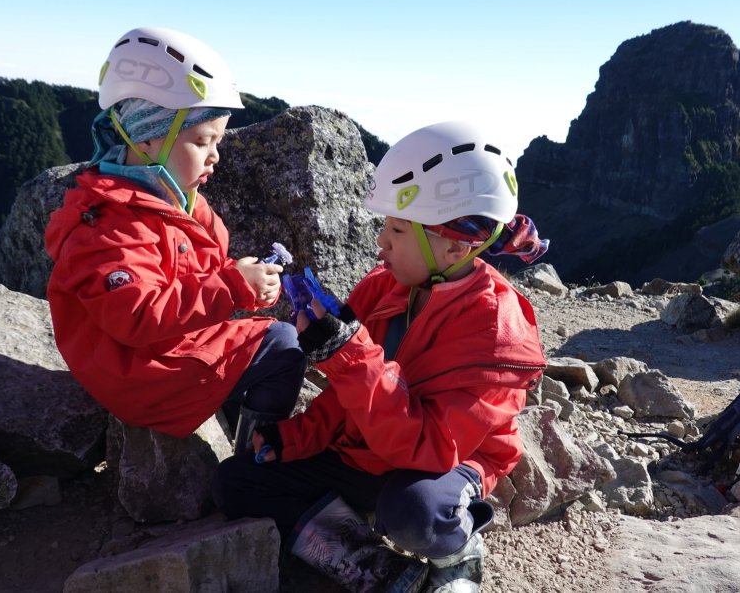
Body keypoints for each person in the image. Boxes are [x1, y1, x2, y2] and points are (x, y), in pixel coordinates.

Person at [213, 122, 549, 592]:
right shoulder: (382, 286)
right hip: (371, 447)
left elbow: (429, 448)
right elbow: (348, 399)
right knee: (238, 482)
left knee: (415, 511)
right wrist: (294, 438)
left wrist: (345, 353)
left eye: (396, 229)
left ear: (454, 243)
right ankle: (379, 567)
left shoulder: (497, 335)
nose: (381, 243)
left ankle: (458, 552)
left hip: (443, 460)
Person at [45, 26, 306, 449]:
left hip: (159, 353)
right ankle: (255, 464)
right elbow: (136, 317)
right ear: (148, 136)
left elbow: (201, 272)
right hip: (139, 375)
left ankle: (235, 418)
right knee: (280, 346)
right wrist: (233, 284)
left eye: (218, 140)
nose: (215, 155)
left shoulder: (178, 200)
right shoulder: (111, 226)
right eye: (203, 140)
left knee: (268, 338)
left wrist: (247, 281)